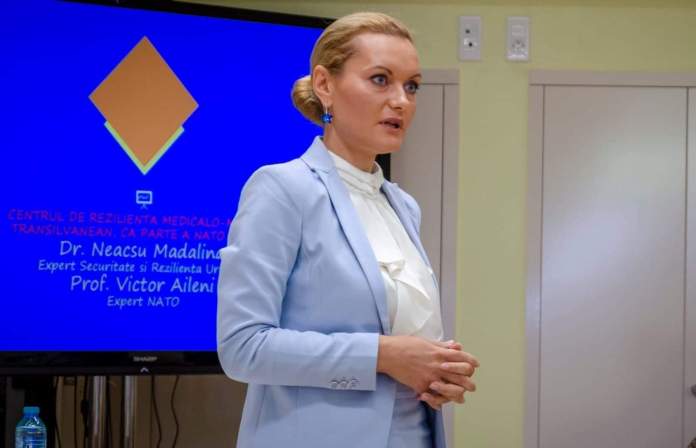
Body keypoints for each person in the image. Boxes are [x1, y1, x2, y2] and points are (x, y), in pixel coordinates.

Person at [217, 11, 479, 448]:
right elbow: (243, 347)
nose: (401, 101)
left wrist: (436, 372)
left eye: (412, 86)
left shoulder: (403, 206)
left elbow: (402, 347)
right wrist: (383, 355)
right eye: (380, 80)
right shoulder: (282, 189)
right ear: (325, 85)